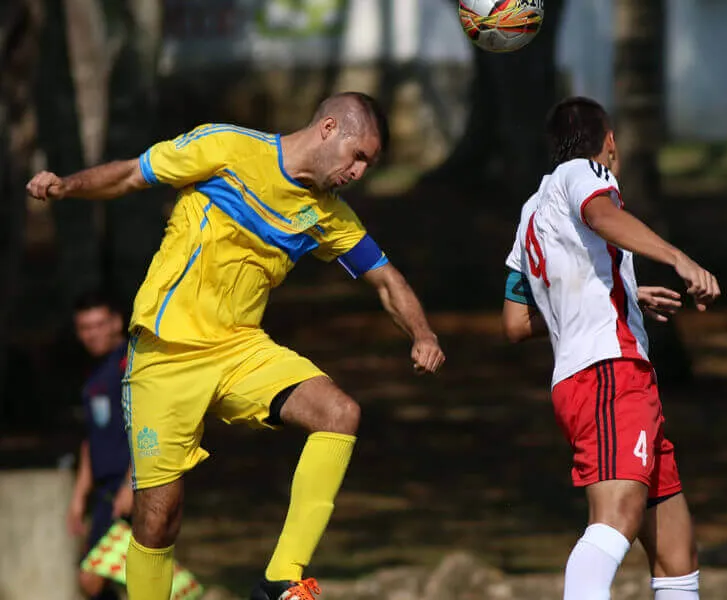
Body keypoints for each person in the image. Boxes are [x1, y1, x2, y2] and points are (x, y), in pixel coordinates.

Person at [28, 92, 446, 600]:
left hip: (241, 351)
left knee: (339, 413)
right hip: (165, 354)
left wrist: (422, 334)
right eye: (358, 156)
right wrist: (67, 186)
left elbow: (386, 280)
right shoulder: (226, 147)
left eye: (370, 165)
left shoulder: (327, 215)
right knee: (159, 520)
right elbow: (132, 175)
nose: (359, 172)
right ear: (329, 127)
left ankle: (282, 580)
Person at [501, 96, 720, 599]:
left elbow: (515, 322)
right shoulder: (588, 172)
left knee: (675, 548)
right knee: (616, 518)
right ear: (611, 144)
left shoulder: (531, 214)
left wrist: (621, 291)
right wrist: (679, 259)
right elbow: (600, 215)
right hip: (610, 376)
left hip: (591, 381)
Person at [68, 291, 132, 600]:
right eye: (84, 327)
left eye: (99, 324)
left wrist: (132, 485)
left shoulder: (131, 364)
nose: (92, 334)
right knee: (99, 579)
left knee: (92, 577)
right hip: (104, 494)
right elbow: (89, 441)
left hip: (133, 491)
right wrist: (79, 497)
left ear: (117, 322)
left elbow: (148, 430)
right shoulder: (92, 374)